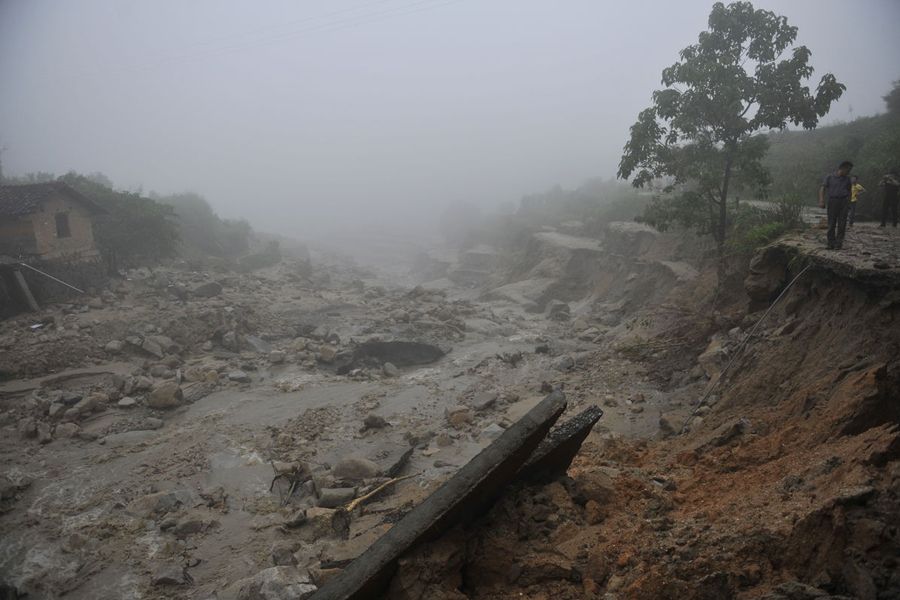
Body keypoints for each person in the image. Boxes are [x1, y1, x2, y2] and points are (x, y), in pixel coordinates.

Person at [818, 160, 853, 249]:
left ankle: (838, 244)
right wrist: (821, 200)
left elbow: (849, 191)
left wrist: (849, 202)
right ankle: (830, 243)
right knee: (831, 223)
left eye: (849, 170)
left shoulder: (847, 179)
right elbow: (822, 188)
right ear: (842, 168)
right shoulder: (829, 177)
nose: (849, 172)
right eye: (848, 170)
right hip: (833, 201)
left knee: (842, 224)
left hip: (844, 202)